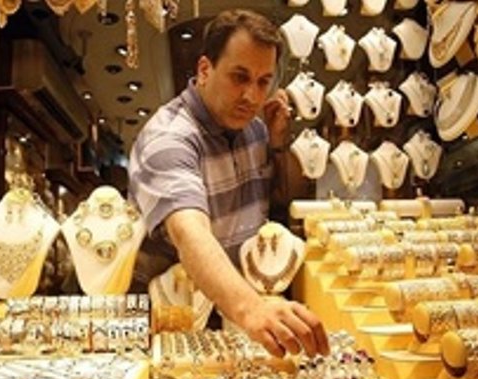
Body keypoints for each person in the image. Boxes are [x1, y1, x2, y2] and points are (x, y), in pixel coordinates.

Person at [128, 9, 329, 358]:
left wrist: (277, 143)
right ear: (205, 70)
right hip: (174, 317)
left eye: (263, 82)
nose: (252, 96)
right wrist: (252, 308)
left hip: (237, 311)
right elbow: (189, 233)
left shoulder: (255, 129)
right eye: (240, 77)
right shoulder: (168, 137)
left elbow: (280, 205)